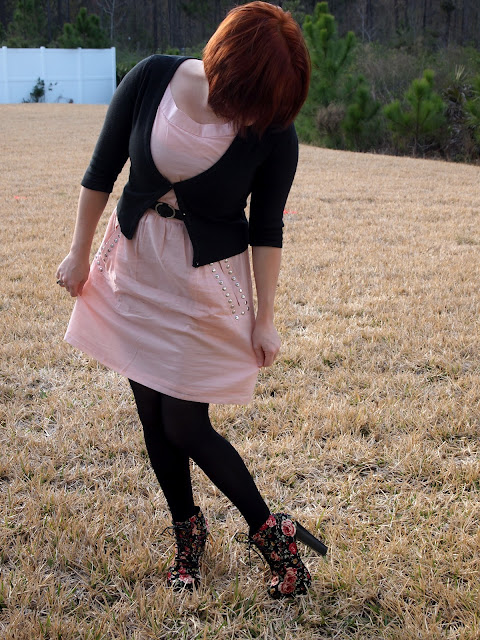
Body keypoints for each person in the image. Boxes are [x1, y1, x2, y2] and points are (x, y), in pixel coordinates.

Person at [56, 1, 327, 599]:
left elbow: (267, 228)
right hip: (136, 268)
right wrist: (78, 253)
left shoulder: (273, 132)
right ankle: (188, 534)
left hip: (206, 285)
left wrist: (265, 318)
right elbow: (101, 171)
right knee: (152, 416)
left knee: (184, 420)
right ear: (228, 67)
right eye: (254, 97)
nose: (258, 115)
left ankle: (271, 533)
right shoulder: (152, 77)